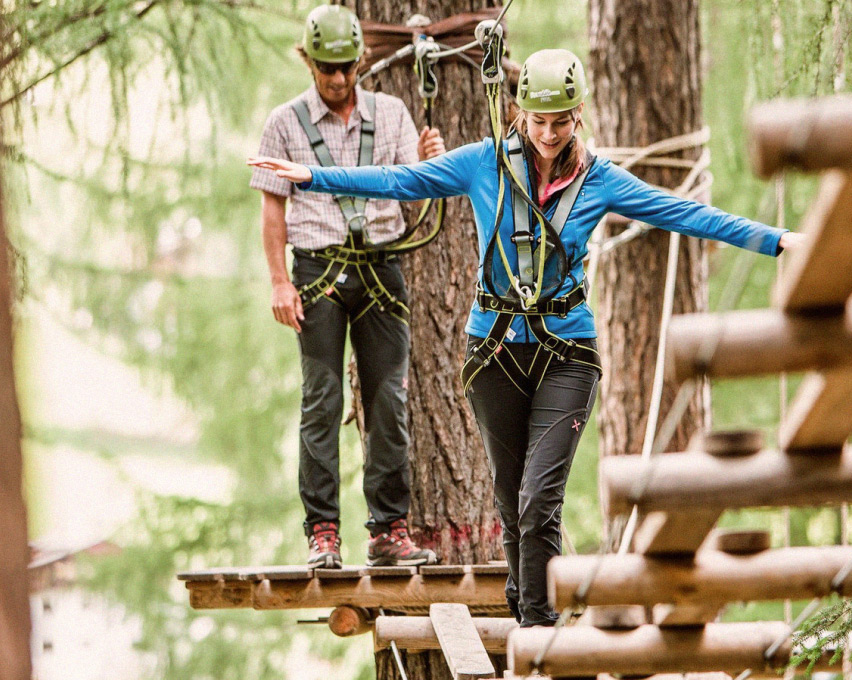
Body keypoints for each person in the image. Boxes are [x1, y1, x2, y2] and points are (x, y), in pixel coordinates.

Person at [249, 48, 806, 624]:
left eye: (560, 121)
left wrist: (776, 239)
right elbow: (402, 180)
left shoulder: (599, 179)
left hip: (567, 353)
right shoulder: (483, 164)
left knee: (540, 499)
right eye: (538, 120)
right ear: (519, 112)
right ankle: (530, 614)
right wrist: (315, 177)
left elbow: (684, 212)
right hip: (494, 352)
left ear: (579, 115)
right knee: (512, 501)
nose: (548, 133)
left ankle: (539, 632)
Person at [249, 5, 447, 568]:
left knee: (389, 401)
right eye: (326, 69)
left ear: (360, 61)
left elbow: (414, 192)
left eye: (345, 67)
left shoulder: (391, 114)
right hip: (318, 274)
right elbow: (272, 210)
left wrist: (428, 163)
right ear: (309, 63)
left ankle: (389, 531)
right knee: (322, 401)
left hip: (382, 269)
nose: (337, 79)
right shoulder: (284, 123)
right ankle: (323, 534)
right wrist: (279, 282)